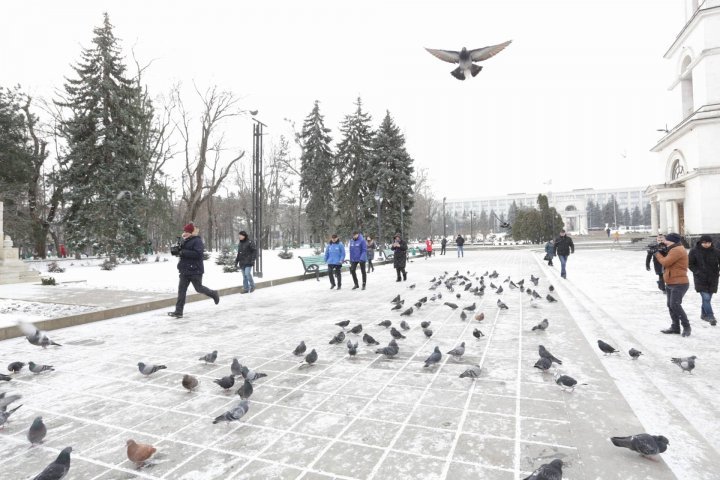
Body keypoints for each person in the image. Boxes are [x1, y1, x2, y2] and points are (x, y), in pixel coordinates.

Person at [168, 223, 219, 318]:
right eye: (184, 231)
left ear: (191, 232)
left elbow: (198, 254)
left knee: (198, 288)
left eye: (187, 231)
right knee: (181, 291)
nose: (185, 233)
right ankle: (178, 311)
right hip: (184, 270)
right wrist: (177, 250)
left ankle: (213, 293)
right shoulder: (184, 240)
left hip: (195, 270)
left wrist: (183, 252)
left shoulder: (197, 241)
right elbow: (182, 253)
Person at [655, 233, 691, 336]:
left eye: (667, 240)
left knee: (675, 305)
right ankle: (675, 327)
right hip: (671, 282)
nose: (665, 242)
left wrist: (657, 254)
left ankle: (687, 327)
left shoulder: (677, 250)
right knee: (670, 305)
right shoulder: (672, 249)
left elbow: (666, 262)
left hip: (679, 283)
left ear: (672, 241)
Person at [688, 235, 720, 326]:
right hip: (700, 278)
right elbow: (690, 264)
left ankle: (703, 314)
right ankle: (711, 316)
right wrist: (697, 272)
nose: (707, 244)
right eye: (705, 243)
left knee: (707, 299)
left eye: (709, 243)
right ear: (701, 242)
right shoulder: (694, 251)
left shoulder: (716, 251)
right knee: (706, 298)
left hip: (713, 278)